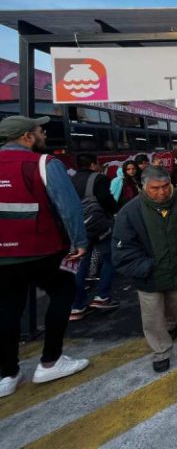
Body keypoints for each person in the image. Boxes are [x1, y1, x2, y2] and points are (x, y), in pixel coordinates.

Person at [0, 115, 90, 398]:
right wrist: (79, 241)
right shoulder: (45, 163)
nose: (44, 134)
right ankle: (50, 361)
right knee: (63, 293)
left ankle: (7, 374)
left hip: (3, 255)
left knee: (7, 309)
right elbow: (69, 207)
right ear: (27, 137)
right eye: (40, 130)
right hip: (45, 250)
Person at [112, 166, 177, 373]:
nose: (161, 192)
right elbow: (122, 249)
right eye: (155, 188)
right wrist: (145, 267)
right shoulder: (130, 212)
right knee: (153, 316)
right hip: (149, 276)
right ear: (144, 187)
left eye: (165, 186)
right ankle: (161, 351)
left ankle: (170, 326)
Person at [69, 153, 119, 320]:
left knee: (79, 264)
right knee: (110, 257)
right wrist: (113, 211)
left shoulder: (70, 180)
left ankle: (77, 305)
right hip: (99, 226)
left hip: (77, 227)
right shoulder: (99, 178)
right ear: (93, 165)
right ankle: (101, 296)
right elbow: (106, 200)